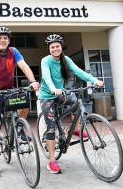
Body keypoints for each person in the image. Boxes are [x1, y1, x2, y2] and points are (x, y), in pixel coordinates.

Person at [39, 34, 104, 174]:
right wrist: (52, 88)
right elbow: (46, 76)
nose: (55, 49)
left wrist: (94, 80)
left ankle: (75, 129)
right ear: (49, 49)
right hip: (47, 95)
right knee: (51, 127)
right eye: (52, 47)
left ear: (61, 47)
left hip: (60, 92)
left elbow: (79, 72)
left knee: (74, 99)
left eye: (57, 46)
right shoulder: (46, 60)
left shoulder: (66, 60)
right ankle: (52, 161)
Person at [0, 26, 40, 176]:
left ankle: (19, 128)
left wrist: (32, 81)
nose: (2, 40)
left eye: (5, 38)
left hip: (9, 89)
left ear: (8, 40)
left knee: (25, 100)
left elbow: (24, 66)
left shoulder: (14, 52)